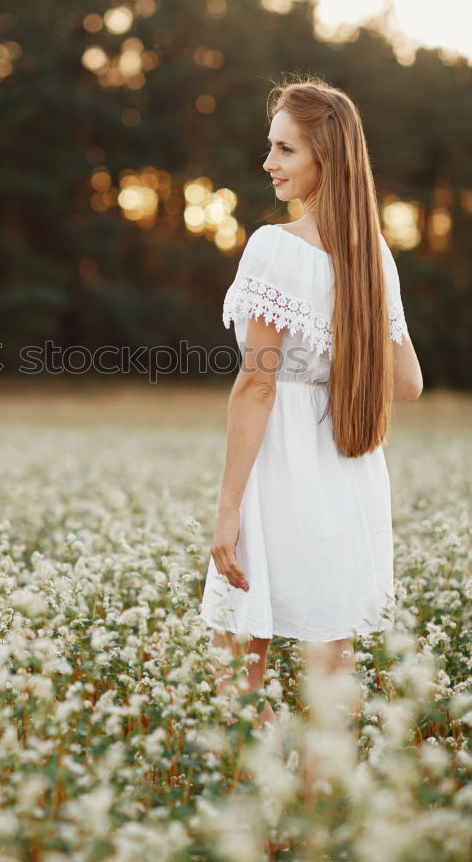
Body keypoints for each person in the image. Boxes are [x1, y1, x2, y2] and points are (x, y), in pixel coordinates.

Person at [198, 76, 423, 762]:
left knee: (235, 658)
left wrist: (228, 508)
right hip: (349, 471)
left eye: (284, 149)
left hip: (281, 472)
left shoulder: (276, 248)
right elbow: (409, 382)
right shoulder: (373, 256)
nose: (268, 162)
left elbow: (256, 388)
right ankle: (327, 816)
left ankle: (265, 815)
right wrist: (340, 359)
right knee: (333, 667)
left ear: (324, 156)